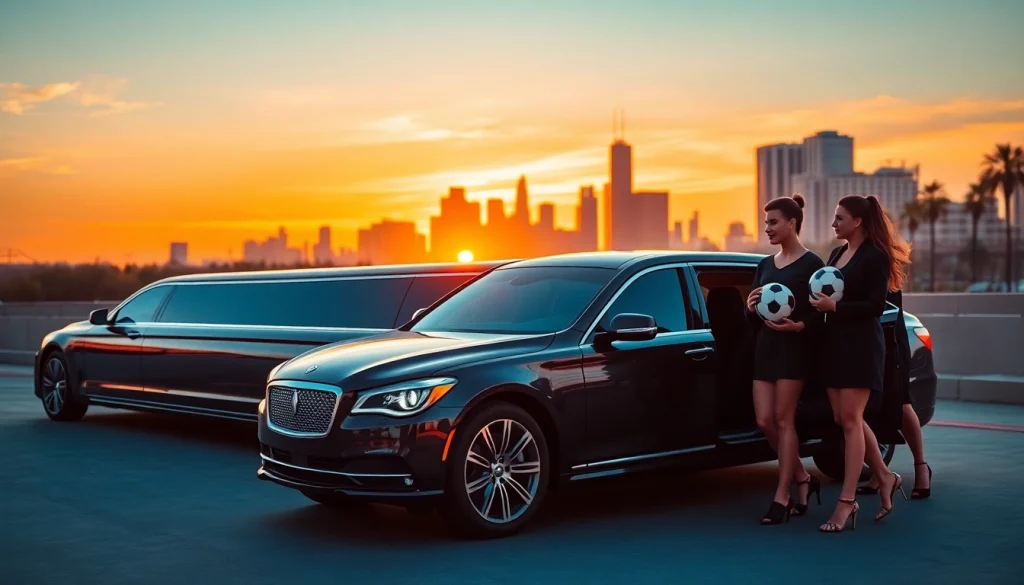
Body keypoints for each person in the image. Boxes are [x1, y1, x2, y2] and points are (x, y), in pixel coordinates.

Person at [810, 194, 912, 533]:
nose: (834, 223)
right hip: (834, 345)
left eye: (840, 217)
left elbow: (874, 305)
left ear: (858, 221)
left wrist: (835, 309)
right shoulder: (838, 254)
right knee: (842, 417)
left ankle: (846, 501)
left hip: (861, 347)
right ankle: (885, 476)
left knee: (852, 419)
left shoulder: (875, 257)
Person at [744, 194, 825, 525]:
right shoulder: (764, 265)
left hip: (795, 350)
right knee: (764, 420)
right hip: (766, 350)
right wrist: (749, 307)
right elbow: (754, 315)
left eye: (773, 222)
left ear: (792, 223)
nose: (768, 229)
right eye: (766, 223)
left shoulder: (813, 266)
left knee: (783, 418)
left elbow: (822, 314)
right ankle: (804, 477)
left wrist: (801, 324)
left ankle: (782, 495)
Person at [857, 289, 932, 499]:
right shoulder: (840, 254)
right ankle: (880, 472)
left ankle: (921, 467)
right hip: (862, 338)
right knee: (872, 406)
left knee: (900, 401)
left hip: (890, 336)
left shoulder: (880, 255)